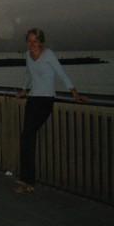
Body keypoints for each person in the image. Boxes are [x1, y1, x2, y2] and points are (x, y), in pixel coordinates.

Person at [14, 28, 87, 193]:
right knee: (27, 136)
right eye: (29, 41)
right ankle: (27, 180)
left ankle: (27, 180)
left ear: (41, 42)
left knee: (28, 134)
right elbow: (28, 74)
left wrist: (74, 92)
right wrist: (24, 90)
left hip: (46, 100)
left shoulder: (48, 54)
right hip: (32, 100)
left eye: (35, 41)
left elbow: (61, 72)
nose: (31, 44)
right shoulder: (27, 55)